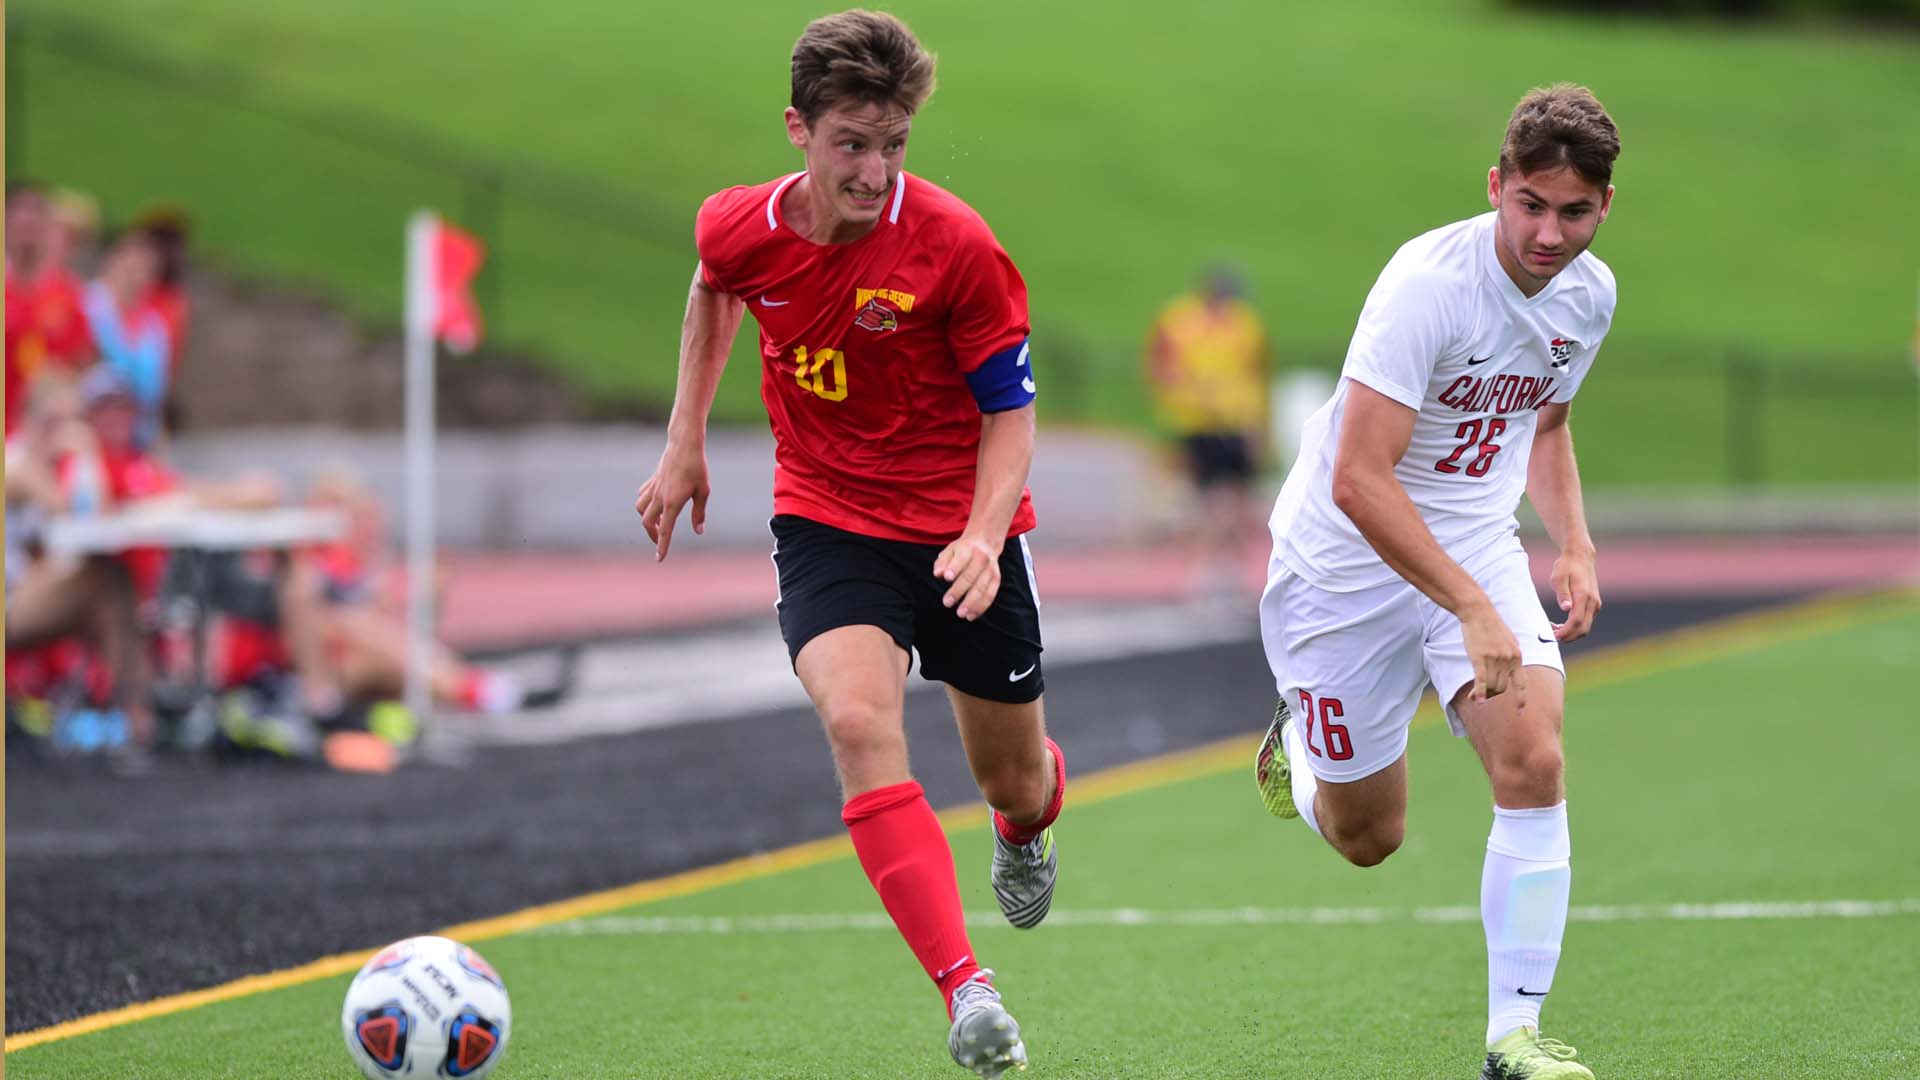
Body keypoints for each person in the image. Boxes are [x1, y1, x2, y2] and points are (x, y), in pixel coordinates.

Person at [633, 11, 1062, 1077]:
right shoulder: (739, 225)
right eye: (852, 145)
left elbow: (1011, 413)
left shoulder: (956, 246)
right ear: (799, 130)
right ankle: (967, 992)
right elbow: (715, 285)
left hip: (961, 534)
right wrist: (685, 439)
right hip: (828, 515)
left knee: (1014, 781)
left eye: (894, 145)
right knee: (860, 721)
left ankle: (1026, 827)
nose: (875, 172)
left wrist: (981, 535)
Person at [1253, 85, 1620, 1080]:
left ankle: (1514, 1037)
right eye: (1531, 205)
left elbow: (1545, 423)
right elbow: (1358, 478)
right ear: (1496, 186)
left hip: (1474, 542)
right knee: (1369, 838)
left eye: (1574, 212)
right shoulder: (1427, 285)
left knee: (1534, 761)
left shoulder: (1590, 295)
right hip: (1343, 563)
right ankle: (1301, 751)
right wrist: (1467, 605)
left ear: (1604, 206)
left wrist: (1574, 542)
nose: (1549, 234)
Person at [1144, 265, 1271, 598]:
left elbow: (1255, 375)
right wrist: (1181, 397)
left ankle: (1233, 572)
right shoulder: (1181, 321)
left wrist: (1256, 425)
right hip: (1198, 421)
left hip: (1235, 420)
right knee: (1208, 500)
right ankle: (1204, 572)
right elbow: (1159, 364)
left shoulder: (1244, 325)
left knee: (1239, 501)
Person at [4, 181, 96, 436]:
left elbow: (81, 366)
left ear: (48, 228)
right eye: (19, 222)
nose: (26, 230)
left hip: (45, 438)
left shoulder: (71, 295)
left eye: (34, 222)